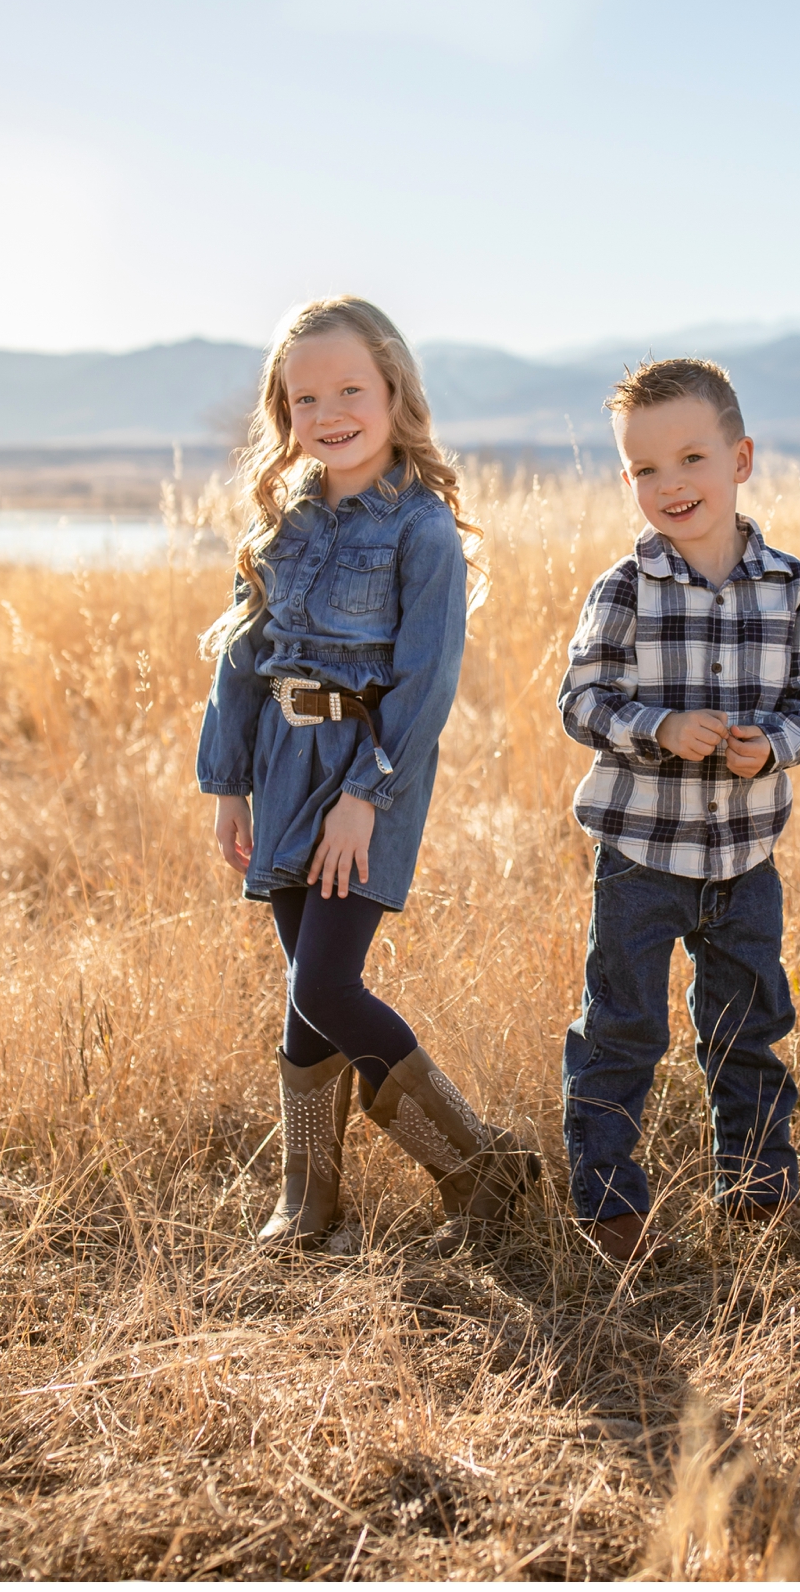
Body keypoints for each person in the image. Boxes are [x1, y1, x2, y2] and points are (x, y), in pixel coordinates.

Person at [196, 295, 541, 1259]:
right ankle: (314, 1207)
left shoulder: (420, 529)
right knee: (307, 987)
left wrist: (364, 798)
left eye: (351, 388)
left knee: (327, 984)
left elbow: (425, 686)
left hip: (363, 777)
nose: (330, 412)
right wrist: (229, 784)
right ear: (284, 412)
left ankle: (480, 1168)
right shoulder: (281, 520)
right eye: (306, 398)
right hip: (279, 767)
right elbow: (239, 660)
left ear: (393, 389)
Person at [555, 357, 800, 1263]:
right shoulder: (624, 590)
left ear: (741, 458)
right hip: (642, 857)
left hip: (745, 857)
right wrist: (659, 726)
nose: (671, 484)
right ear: (628, 480)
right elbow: (580, 701)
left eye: (691, 458)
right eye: (646, 469)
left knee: (749, 1022)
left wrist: (779, 744)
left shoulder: (790, 586)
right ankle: (607, 1201)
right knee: (623, 1026)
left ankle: (757, 1188)